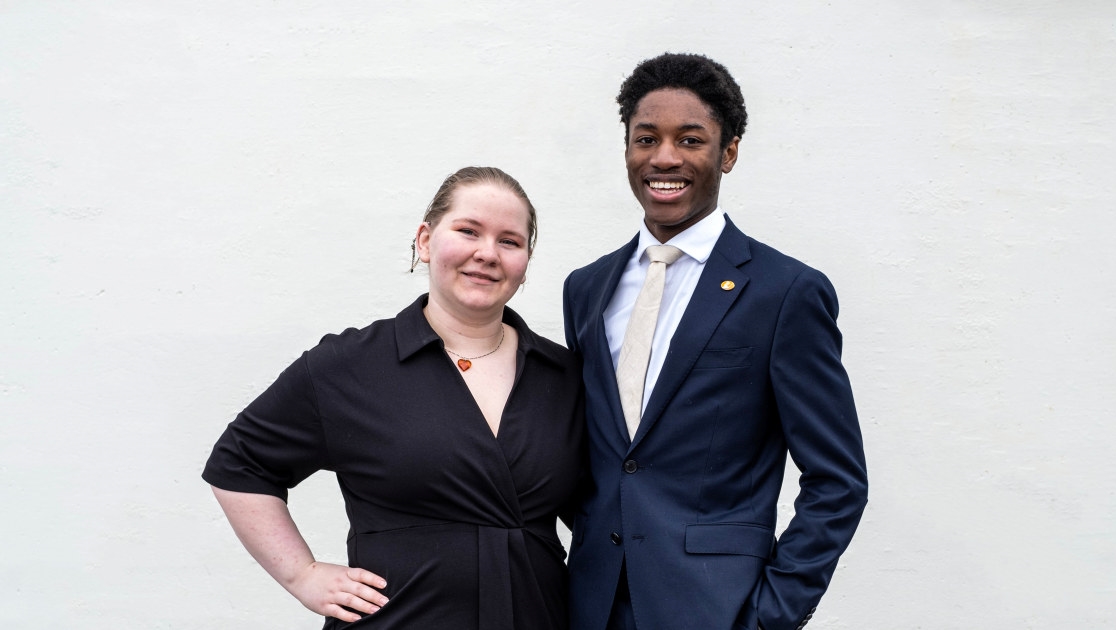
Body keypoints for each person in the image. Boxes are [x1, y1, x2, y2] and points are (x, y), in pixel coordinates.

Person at [203, 166, 585, 630]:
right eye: (468, 231)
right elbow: (239, 463)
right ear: (425, 241)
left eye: (509, 241)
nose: (487, 253)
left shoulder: (565, 375)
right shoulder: (350, 365)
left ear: (525, 262)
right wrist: (302, 574)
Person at [562, 53, 868, 630]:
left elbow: (838, 482)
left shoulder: (785, 292)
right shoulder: (587, 288)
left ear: (728, 153)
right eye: (646, 139)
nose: (664, 158)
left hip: (714, 609)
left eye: (690, 139)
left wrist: (769, 616)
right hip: (591, 606)